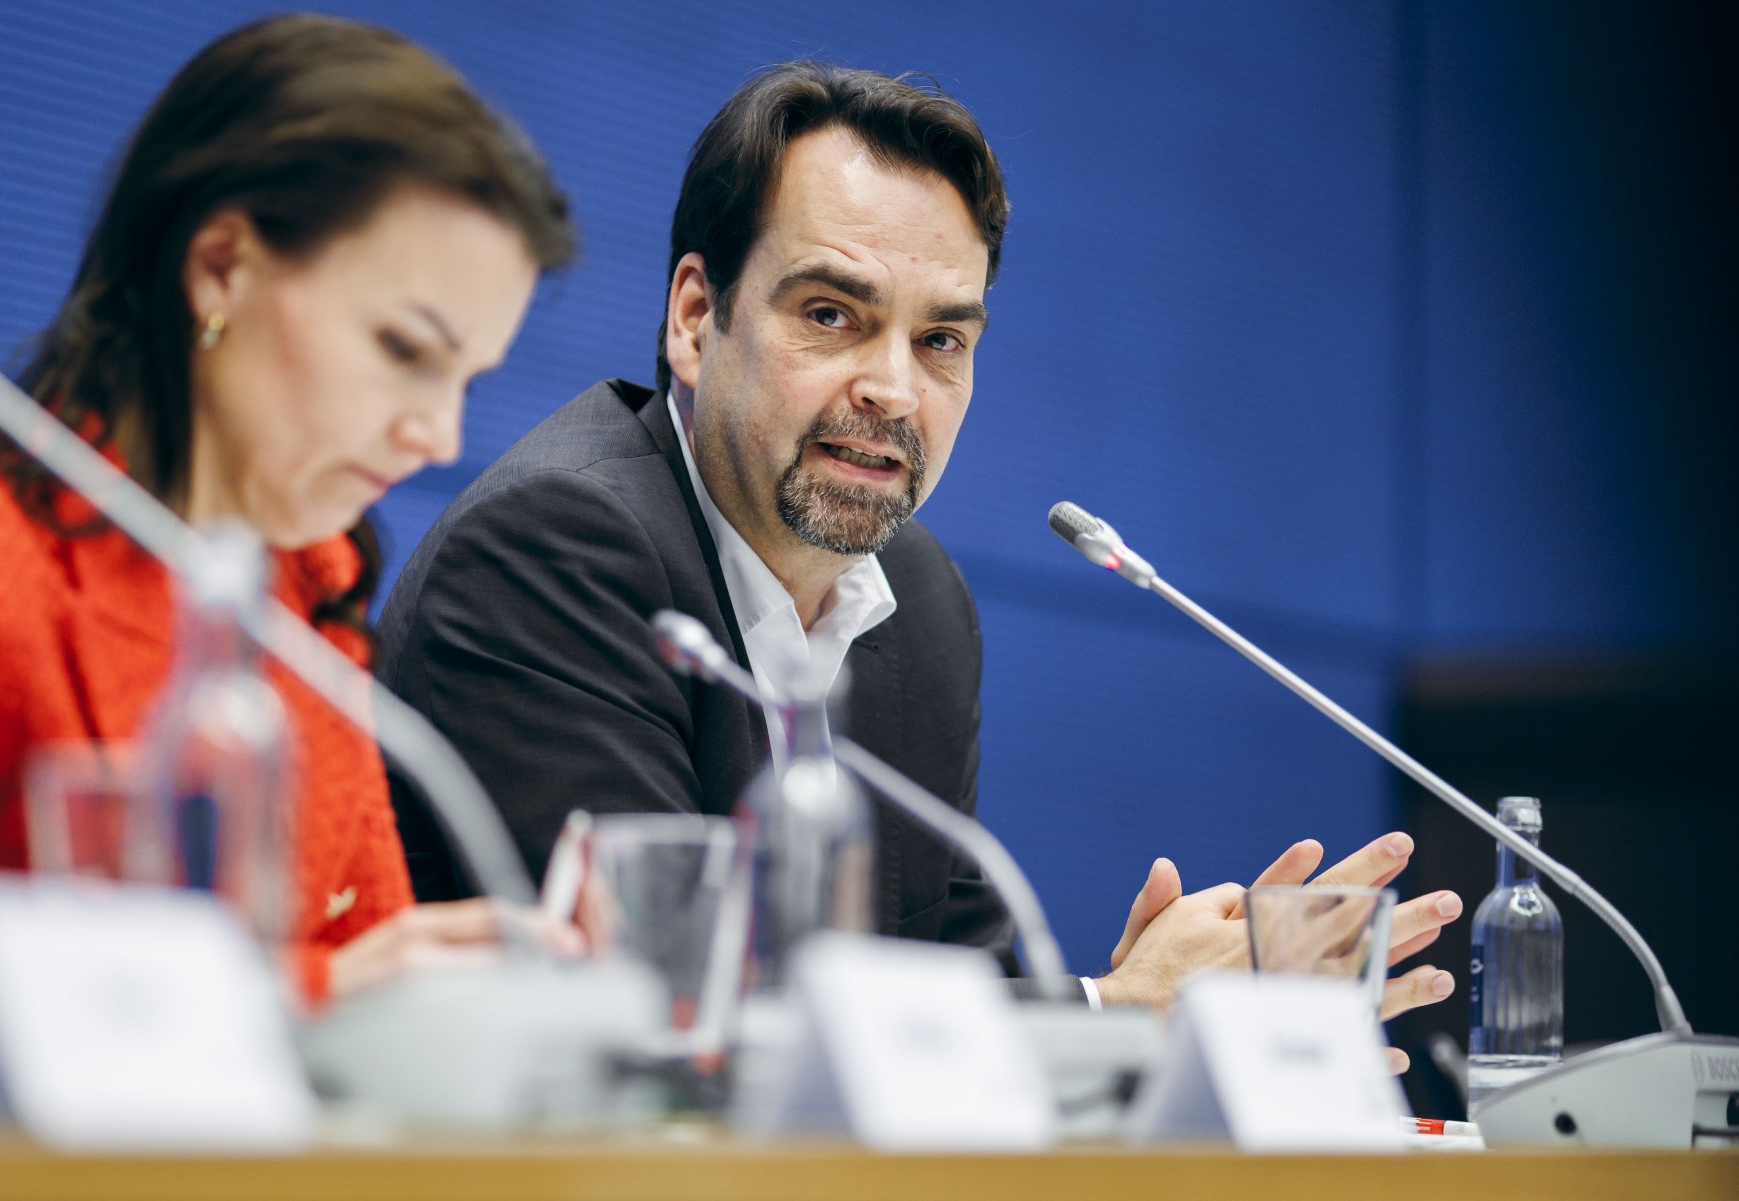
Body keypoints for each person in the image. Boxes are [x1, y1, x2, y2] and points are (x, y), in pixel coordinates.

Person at [376, 63, 1460, 1030]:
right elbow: (663, 1020)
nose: (894, 389)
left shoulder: (918, 602)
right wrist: (1117, 1007)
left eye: (941, 338)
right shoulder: (560, 550)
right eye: (831, 314)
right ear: (697, 319)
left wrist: (1147, 1026)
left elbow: (949, 1000)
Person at [0, 14, 576, 1004]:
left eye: (468, 378)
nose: (441, 437)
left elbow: (372, 971)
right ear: (221, 266)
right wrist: (316, 997)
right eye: (406, 349)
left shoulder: (309, 594)